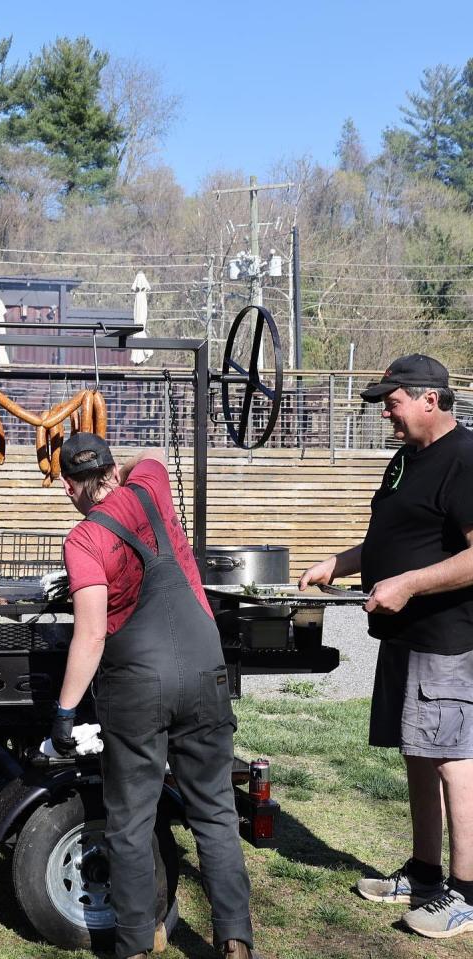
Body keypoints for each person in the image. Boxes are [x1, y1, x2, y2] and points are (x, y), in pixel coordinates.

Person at [50, 432, 255, 959]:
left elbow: (91, 633)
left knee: (132, 820)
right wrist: (124, 469)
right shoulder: (151, 485)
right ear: (115, 472)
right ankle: (235, 941)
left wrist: (65, 711)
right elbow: (156, 454)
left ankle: (136, 947)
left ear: (71, 487)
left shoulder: (83, 541)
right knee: (214, 812)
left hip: (137, 685)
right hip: (206, 669)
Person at [299, 353, 473, 939]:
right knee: (418, 753)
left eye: (392, 404)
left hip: (448, 637)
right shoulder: (406, 459)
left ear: (430, 399)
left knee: (455, 761)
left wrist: (407, 584)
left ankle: (467, 893)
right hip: (404, 634)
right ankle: (426, 874)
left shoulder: (465, 459)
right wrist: (340, 562)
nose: (387, 417)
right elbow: (391, 537)